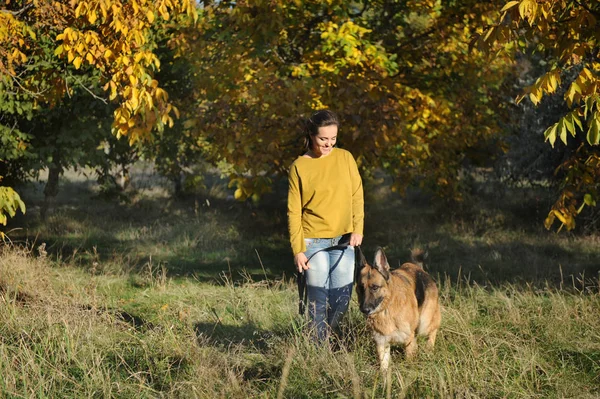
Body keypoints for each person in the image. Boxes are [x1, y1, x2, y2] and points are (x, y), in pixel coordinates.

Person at [287, 109, 364, 342]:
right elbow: (293, 211)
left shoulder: (345, 158)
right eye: (323, 139)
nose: (329, 144)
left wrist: (357, 228)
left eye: (333, 139)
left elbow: (356, 195)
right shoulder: (299, 166)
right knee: (318, 301)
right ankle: (319, 351)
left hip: (344, 241)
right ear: (311, 135)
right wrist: (297, 249)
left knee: (341, 301)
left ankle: (327, 339)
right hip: (313, 243)